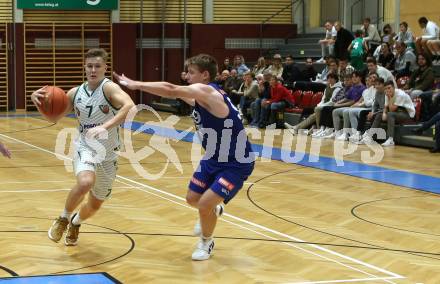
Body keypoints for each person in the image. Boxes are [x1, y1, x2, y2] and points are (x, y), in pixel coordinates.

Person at [113, 54, 255, 261]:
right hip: (213, 157)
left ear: (205, 75)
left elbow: (171, 89)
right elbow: (177, 94)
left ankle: (206, 242)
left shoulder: (207, 91)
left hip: (236, 162)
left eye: (191, 72)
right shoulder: (202, 96)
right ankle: (215, 208)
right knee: (192, 199)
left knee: (204, 205)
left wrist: (136, 84)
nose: (186, 76)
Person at [30, 48, 135, 246]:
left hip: (108, 154)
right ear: (84, 67)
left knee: (95, 204)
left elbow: (129, 105)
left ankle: (75, 222)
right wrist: (37, 102)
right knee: (86, 182)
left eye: (97, 66)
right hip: (85, 146)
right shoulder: (75, 93)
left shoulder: (109, 88)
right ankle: (62, 218)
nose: (93, 70)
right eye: (89, 66)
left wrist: (104, 126)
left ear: (105, 67)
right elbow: (53, 117)